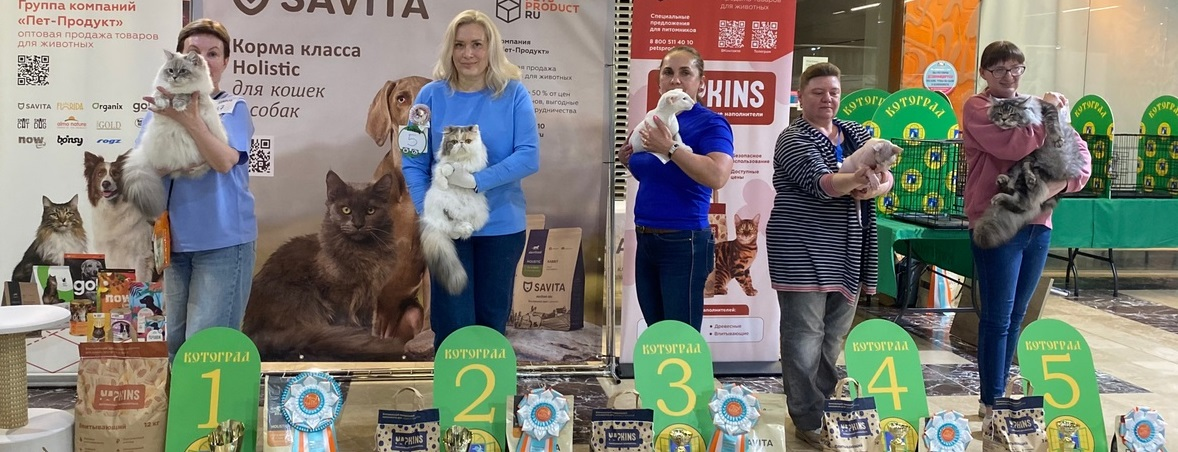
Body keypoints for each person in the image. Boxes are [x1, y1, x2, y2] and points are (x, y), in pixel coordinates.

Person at [962, 40, 1091, 418]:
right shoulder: (978, 107)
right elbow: (1013, 146)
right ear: (984, 73)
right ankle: (991, 401)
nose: (1009, 76)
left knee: (1017, 316)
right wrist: (1047, 113)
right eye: (999, 69)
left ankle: (1001, 396)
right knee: (997, 317)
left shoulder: (1036, 104)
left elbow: (1080, 155)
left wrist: (1059, 185)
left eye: (1016, 68)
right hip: (997, 223)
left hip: (1038, 225)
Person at [765, 62, 891, 448]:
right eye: (818, 92)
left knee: (833, 335)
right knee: (804, 335)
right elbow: (821, 183)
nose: (827, 99)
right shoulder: (792, 138)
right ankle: (807, 419)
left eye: (833, 92)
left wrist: (874, 187)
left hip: (848, 248)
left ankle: (823, 410)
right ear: (800, 97)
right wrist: (856, 181)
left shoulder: (857, 133)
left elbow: (886, 175)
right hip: (800, 247)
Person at [404, 9, 540, 350]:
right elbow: (413, 162)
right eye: (459, 44)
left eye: (477, 44)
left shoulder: (515, 94)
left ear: (491, 48)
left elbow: (528, 156)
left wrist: (476, 181)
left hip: (501, 228)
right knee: (452, 325)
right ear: (449, 49)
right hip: (445, 230)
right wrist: (430, 212)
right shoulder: (428, 97)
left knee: (491, 326)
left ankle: (489, 387)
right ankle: (451, 388)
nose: (468, 54)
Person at [135, 18, 258, 358]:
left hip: (223, 243)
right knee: (174, 343)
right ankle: (176, 397)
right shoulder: (157, 108)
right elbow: (145, 166)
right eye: (193, 51)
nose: (203, 59)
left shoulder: (233, 107)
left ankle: (215, 400)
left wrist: (189, 121)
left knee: (206, 347)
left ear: (224, 62)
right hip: (173, 244)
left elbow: (223, 161)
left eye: (212, 53)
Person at [617, 46, 734, 332]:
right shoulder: (652, 120)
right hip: (646, 238)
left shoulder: (711, 123)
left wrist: (670, 147)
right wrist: (628, 161)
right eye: (668, 72)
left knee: (681, 338)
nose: (675, 80)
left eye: (685, 73)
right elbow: (655, 176)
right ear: (659, 81)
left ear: (701, 83)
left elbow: (718, 175)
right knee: (657, 335)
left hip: (684, 241)